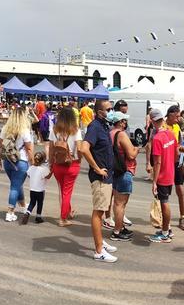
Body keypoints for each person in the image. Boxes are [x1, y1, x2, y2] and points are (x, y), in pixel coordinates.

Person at [76, 99, 118, 263]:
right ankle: (99, 250)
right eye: (109, 109)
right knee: (98, 212)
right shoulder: (94, 127)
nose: (111, 111)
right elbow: (84, 148)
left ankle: (101, 242)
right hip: (100, 177)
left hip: (107, 176)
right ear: (100, 111)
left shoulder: (103, 126)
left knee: (101, 210)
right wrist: (96, 168)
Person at [0, 107, 34, 222]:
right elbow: (28, 149)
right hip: (21, 161)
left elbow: (1, 145)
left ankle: (23, 205)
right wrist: (32, 163)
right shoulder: (24, 130)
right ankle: (10, 212)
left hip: (8, 161)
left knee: (17, 184)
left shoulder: (5, 128)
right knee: (15, 186)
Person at [48, 106, 82, 227]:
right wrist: (80, 159)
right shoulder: (75, 131)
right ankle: (63, 219)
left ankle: (67, 212)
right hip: (71, 164)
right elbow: (79, 148)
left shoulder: (54, 130)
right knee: (67, 192)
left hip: (58, 163)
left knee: (62, 190)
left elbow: (51, 149)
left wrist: (50, 162)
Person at [149, 109, 177, 243]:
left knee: (164, 202)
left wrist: (154, 181)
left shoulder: (157, 138)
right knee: (164, 201)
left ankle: (165, 233)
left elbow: (157, 161)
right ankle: (167, 229)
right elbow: (176, 153)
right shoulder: (171, 134)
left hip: (163, 175)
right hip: (170, 172)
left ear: (153, 121)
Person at [108, 111, 137, 241]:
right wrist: (136, 148)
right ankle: (117, 231)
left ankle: (120, 227)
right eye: (124, 120)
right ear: (120, 122)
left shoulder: (110, 133)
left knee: (118, 202)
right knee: (120, 204)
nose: (126, 123)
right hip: (124, 170)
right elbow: (131, 155)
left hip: (115, 170)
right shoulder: (121, 135)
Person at [25, 150, 51, 224]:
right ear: (43, 160)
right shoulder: (44, 169)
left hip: (32, 189)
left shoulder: (31, 167)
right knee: (40, 203)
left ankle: (27, 212)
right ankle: (38, 217)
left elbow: (28, 175)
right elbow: (48, 176)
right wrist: (52, 171)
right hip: (40, 190)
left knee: (32, 202)